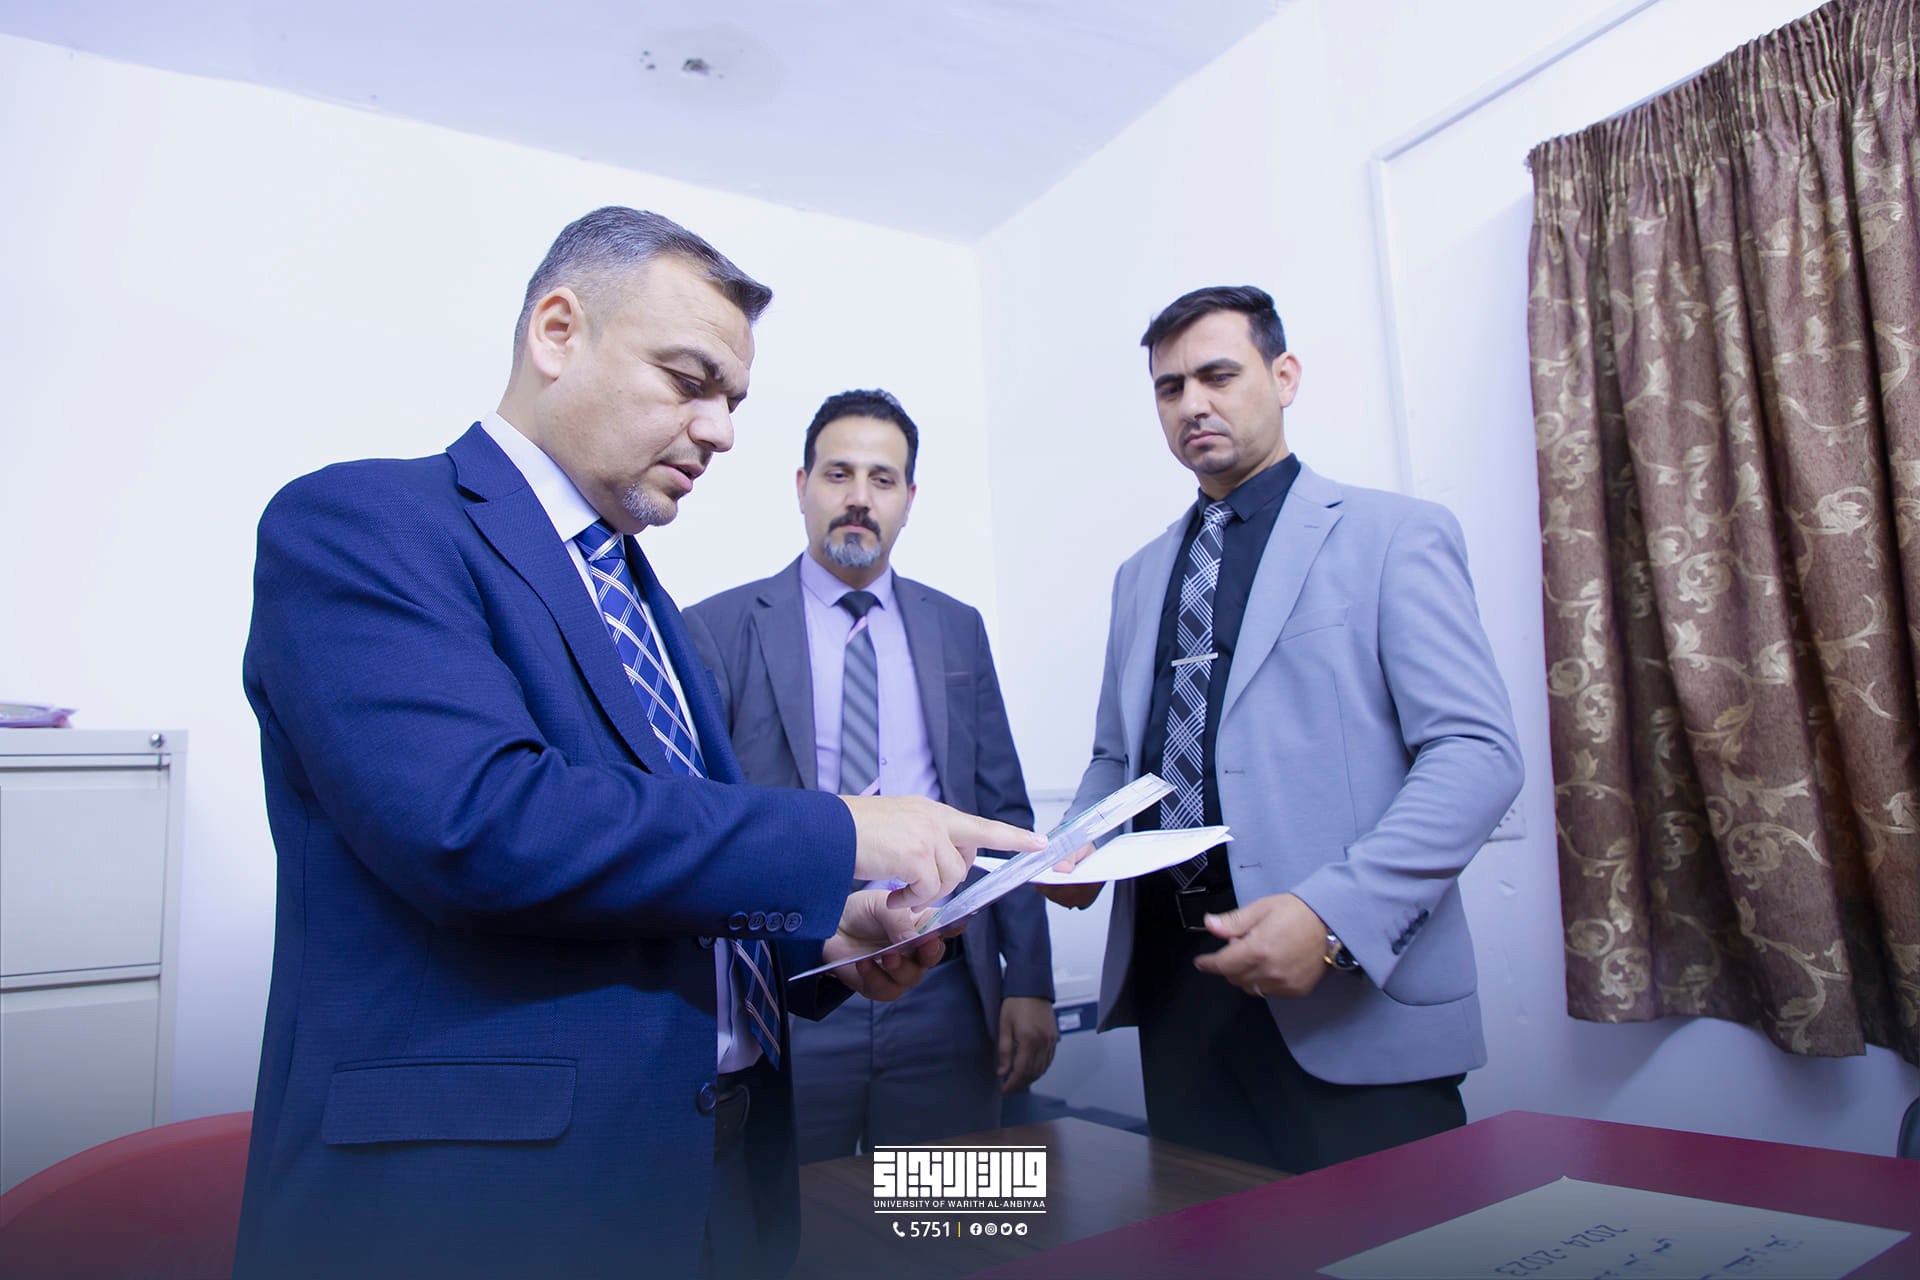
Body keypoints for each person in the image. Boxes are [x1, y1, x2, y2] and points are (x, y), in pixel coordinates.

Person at [234, 207, 1045, 1280]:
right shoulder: (364, 522)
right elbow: (479, 824)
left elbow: (664, 867)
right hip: (496, 1199)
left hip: (723, 1172)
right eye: (690, 380)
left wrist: (826, 942)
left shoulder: (642, 596)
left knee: (969, 1232)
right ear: (558, 332)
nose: (721, 430)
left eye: (733, 401)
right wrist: (845, 832)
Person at [1040, 285, 1523, 1174]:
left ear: (1285, 376)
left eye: (1219, 376)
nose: (1193, 404)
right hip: (1177, 989)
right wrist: (1073, 846)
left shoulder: (1394, 534)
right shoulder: (1138, 576)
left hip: (1345, 987)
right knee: (1210, 1237)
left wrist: (1334, 917)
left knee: (1396, 1240)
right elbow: (1118, 756)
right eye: (1170, 387)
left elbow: (1477, 754)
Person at [687, 389, 1057, 1161]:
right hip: (795, 981)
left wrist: (1030, 981)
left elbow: (1003, 808)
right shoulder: (717, 628)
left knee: (950, 1210)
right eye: (839, 474)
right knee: (800, 1212)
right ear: (802, 486)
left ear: (909, 499)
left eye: (882, 479)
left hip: (943, 985)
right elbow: (704, 820)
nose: (859, 497)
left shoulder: (957, 627)